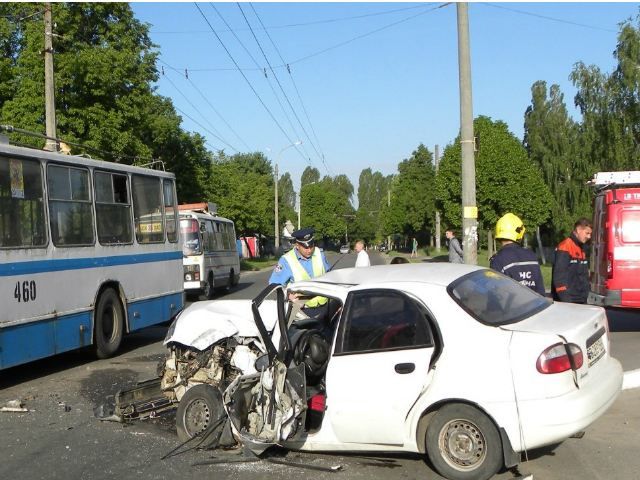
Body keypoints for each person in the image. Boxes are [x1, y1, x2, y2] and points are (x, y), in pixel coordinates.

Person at [269, 227, 331, 317]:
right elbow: (273, 284)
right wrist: (289, 295)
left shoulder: (319, 253)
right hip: (302, 311)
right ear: (297, 245)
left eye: (311, 246)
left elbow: (329, 275)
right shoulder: (286, 260)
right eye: (305, 247)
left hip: (324, 307)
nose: (309, 250)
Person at [489, 213, 545, 296]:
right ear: (519, 233)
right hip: (535, 306)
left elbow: (496, 294)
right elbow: (540, 289)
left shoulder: (498, 260)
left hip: (512, 308)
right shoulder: (531, 255)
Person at [552, 217, 593, 303]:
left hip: (581, 298)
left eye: (590, 234)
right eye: (587, 233)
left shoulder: (582, 248)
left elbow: (583, 275)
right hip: (569, 300)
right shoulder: (565, 247)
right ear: (578, 230)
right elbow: (559, 278)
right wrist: (566, 301)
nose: (589, 236)